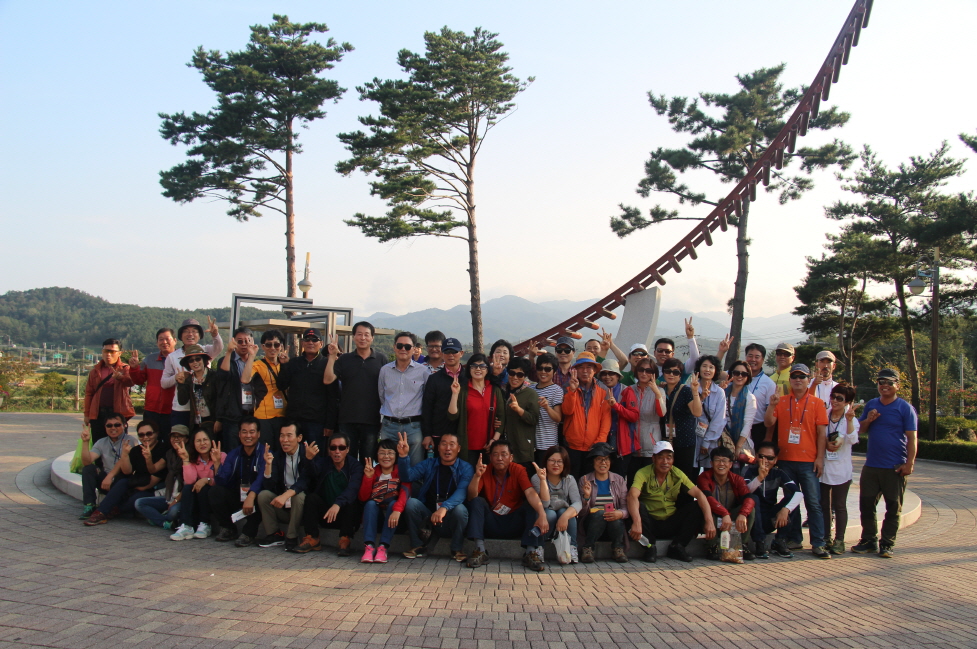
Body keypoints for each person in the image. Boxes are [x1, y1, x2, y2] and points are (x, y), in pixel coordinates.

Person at [764, 363, 831, 559]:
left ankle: (818, 542)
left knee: (813, 502)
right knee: (790, 502)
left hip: (808, 461)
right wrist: (772, 405)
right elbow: (769, 423)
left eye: (802, 376)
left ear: (809, 379)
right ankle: (793, 539)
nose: (798, 380)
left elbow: (821, 434)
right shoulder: (782, 401)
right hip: (786, 460)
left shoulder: (817, 403)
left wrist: (820, 458)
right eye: (794, 376)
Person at [852, 368, 917, 558]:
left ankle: (887, 544)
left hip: (894, 467)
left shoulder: (905, 408)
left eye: (889, 382)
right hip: (872, 465)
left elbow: (912, 438)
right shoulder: (872, 404)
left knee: (893, 507)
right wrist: (869, 419)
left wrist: (909, 463)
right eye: (881, 382)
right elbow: (860, 430)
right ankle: (869, 540)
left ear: (897, 385)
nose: (885, 385)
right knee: (866, 504)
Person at [465, 440, 549, 571]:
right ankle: (480, 550)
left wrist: (542, 514)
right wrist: (477, 476)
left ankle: (530, 552)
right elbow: (471, 496)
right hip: (492, 521)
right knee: (477, 502)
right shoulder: (485, 470)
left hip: (513, 521)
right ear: (490, 457)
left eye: (504, 454)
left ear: (511, 457)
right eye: (495, 454)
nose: (499, 458)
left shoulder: (519, 470)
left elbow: (530, 492)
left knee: (531, 505)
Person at [627, 440, 715, 562]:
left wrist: (709, 521)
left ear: (673, 460)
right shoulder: (643, 473)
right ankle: (649, 547)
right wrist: (637, 522)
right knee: (637, 507)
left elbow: (699, 494)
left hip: (670, 521)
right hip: (650, 523)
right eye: (660, 457)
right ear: (653, 459)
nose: (665, 462)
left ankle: (677, 546)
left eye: (669, 458)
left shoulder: (677, 473)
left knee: (696, 507)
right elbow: (632, 495)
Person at [398, 431, 474, 561]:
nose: (447, 448)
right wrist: (403, 456)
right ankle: (417, 546)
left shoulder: (465, 468)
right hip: (429, 517)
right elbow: (407, 477)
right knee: (412, 503)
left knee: (460, 509)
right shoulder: (429, 464)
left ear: (459, 448)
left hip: (450, 517)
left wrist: (444, 508)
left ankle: (456, 549)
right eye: (444, 444)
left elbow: (462, 492)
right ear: (438, 448)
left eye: (452, 444)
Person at [83, 420, 167, 526]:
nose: (145, 437)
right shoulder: (137, 450)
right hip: (137, 483)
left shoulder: (163, 450)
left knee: (135, 499)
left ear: (156, 433)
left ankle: (114, 510)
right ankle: (100, 513)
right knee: (122, 482)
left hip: (152, 487)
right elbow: (127, 471)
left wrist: (148, 459)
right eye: (141, 435)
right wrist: (125, 455)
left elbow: (153, 478)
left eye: (149, 434)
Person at [324, 321, 387, 462]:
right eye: (359, 334)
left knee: (368, 460)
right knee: (347, 460)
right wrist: (332, 356)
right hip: (347, 419)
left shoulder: (381, 359)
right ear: (353, 337)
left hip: (372, 420)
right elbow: (328, 380)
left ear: (372, 338)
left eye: (366, 335)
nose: (363, 338)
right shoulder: (345, 359)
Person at [293, 432, 364, 555]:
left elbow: (352, 489)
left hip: (345, 515)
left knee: (352, 501)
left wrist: (337, 504)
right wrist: (308, 459)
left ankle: (345, 539)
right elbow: (310, 474)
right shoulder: (324, 462)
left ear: (348, 449)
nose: (337, 451)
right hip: (326, 513)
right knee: (311, 498)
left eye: (341, 448)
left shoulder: (355, 466)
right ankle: (312, 538)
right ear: (328, 450)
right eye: (333, 448)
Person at [210, 417, 268, 547]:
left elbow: (262, 478)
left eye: (252, 432)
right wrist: (217, 464)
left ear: (258, 434)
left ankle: (249, 533)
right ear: (239, 434)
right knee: (215, 491)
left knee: (262, 496)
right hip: (238, 495)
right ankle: (228, 528)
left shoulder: (265, 453)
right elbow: (222, 481)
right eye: (244, 432)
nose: (248, 436)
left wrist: (251, 495)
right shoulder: (233, 454)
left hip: (255, 496)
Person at [277, 328, 337, 446]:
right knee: (293, 453)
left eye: (314, 340)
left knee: (315, 454)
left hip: (317, 422)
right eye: (307, 339)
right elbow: (281, 385)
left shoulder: (327, 364)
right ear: (302, 343)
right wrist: (284, 366)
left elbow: (333, 397)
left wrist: (330, 424)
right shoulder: (294, 363)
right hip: (294, 420)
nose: (310, 342)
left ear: (321, 344)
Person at [696, 446, 758, 560]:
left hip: (730, 516)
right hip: (714, 516)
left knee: (750, 510)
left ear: (730, 464)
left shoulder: (737, 479)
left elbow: (749, 498)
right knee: (703, 509)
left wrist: (743, 514)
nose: (721, 464)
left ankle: (742, 545)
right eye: (717, 460)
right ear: (711, 463)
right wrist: (724, 514)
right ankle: (712, 546)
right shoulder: (704, 477)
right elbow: (707, 498)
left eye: (724, 460)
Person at [377, 331, 430, 465]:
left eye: (407, 346)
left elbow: (427, 398)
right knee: (388, 467)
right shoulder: (385, 370)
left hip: (413, 426)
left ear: (414, 349)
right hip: (389, 426)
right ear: (394, 347)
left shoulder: (423, 371)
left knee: (415, 467)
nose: (403, 349)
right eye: (400, 346)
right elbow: (382, 396)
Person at [743, 440, 802, 559]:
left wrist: (785, 509)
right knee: (753, 498)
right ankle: (759, 543)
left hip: (770, 518)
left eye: (770, 458)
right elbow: (745, 491)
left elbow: (798, 493)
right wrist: (760, 478)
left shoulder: (778, 473)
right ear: (756, 456)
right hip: (752, 520)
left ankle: (780, 541)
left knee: (791, 500)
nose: (765, 461)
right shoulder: (749, 470)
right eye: (762, 456)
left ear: (775, 460)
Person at [256, 421, 310, 551]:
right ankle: (274, 534)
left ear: (299, 438)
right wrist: (268, 465)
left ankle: (292, 537)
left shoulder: (307, 454)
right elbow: (269, 485)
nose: (284, 440)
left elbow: (305, 482)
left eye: (289, 435)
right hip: (284, 506)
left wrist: (286, 495)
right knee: (264, 495)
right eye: (282, 435)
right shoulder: (278, 456)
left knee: (299, 496)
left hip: (303, 509)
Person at [161, 317, 224, 428]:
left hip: (205, 408)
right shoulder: (172, 356)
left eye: (194, 331)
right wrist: (176, 377)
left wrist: (215, 335)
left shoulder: (205, 351)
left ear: (199, 335)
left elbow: (219, 347)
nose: (190, 334)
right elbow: (164, 383)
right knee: (181, 435)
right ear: (180, 336)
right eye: (186, 331)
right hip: (182, 408)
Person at [820, 384, 860, 554]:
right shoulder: (824, 414)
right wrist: (825, 444)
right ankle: (826, 537)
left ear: (847, 402)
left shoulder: (850, 419)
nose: (834, 401)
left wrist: (849, 421)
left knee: (839, 505)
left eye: (840, 399)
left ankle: (839, 540)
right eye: (833, 397)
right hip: (824, 467)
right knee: (824, 505)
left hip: (841, 469)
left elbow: (853, 439)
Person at [358, 439, 411, 564]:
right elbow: (363, 497)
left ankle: (383, 547)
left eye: (390, 453)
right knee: (370, 504)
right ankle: (369, 547)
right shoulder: (373, 470)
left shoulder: (401, 472)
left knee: (393, 504)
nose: (386, 456)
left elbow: (405, 493)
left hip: (396, 518)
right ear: (376, 455)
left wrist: (397, 511)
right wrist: (368, 478)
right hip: (378, 518)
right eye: (382, 453)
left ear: (396, 455)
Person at [448, 354, 505, 466]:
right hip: (467, 447)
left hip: (489, 447)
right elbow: (452, 416)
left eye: (482, 366)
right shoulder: (463, 391)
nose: (478, 369)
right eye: (474, 366)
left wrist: (494, 440)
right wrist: (455, 394)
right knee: (469, 475)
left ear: (487, 370)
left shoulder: (494, 390)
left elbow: (501, 417)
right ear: (469, 369)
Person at [562, 352, 612, 478]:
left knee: (589, 481)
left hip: (594, 446)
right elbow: (567, 411)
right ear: (575, 370)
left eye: (589, 367)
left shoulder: (603, 390)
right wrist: (572, 391)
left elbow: (606, 419)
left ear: (595, 370)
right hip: (572, 445)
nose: (585, 371)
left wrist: (600, 442)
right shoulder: (567, 387)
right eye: (581, 367)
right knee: (571, 479)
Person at [77, 414, 138, 519]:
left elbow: (124, 464)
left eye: (117, 425)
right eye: (109, 425)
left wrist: (110, 476)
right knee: (88, 469)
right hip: (106, 482)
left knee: (123, 477)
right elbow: (87, 461)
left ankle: (111, 508)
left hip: (122, 481)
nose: (113, 428)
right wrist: (85, 442)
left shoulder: (131, 441)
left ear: (124, 425)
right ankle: (89, 505)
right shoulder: (101, 442)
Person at [577, 443, 630, 563]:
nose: (603, 463)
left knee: (615, 517)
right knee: (600, 514)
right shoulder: (585, 480)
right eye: (599, 459)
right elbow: (581, 513)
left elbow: (625, 508)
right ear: (593, 462)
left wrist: (620, 513)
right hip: (592, 524)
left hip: (613, 524)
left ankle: (618, 549)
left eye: (606, 459)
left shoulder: (619, 480)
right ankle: (588, 548)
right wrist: (586, 497)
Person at [530, 446, 582, 565]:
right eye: (552, 460)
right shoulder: (536, 478)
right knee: (550, 514)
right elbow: (545, 503)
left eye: (560, 461)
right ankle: (539, 547)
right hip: (546, 515)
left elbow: (577, 502)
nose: (556, 464)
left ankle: (572, 547)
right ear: (546, 461)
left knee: (568, 513)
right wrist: (543, 480)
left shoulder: (569, 479)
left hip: (562, 518)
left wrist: (565, 516)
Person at [169, 427, 224, 541]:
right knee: (188, 488)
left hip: (215, 497)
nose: (202, 443)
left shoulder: (221, 455)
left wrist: (208, 478)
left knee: (204, 488)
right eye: (198, 441)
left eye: (205, 440)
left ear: (211, 441)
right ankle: (186, 526)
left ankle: (205, 524)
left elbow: (222, 481)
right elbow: (190, 481)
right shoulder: (194, 459)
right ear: (193, 444)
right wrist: (186, 460)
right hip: (198, 497)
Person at [133, 424, 189, 530]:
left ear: (186, 439)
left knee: (172, 513)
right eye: (173, 436)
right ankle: (164, 522)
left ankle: (160, 518)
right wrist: (148, 458)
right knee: (139, 503)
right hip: (169, 496)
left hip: (182, 498)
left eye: (180, 436)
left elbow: (189, 484)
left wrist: (175, 501)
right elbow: (153, 469)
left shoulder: (190, 455)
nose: (176, 439)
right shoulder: (170, 453)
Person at [241, 329, 290, 449]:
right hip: (264, 416)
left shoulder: (285, 364)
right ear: (263, 347)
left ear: (281, 346)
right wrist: (251, 356)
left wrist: (286, 364)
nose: (272, 348)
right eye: (268, 345)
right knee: (266, 451)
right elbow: (245, 379)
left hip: (283, 415)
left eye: (276, 345)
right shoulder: (257, 365)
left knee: (282, 451)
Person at [127, 328, 177, 441]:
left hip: (173, 410)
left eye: (167, 339)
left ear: (175, 340)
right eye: (161, 339)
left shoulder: (181, 359)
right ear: (157, 342)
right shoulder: (149, 359)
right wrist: (134, 368)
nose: (164, 342)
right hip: (151, 410)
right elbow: (139, 380)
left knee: (171, 442)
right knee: (150, 441)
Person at [83, 339, 135, 443]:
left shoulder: (125, 369)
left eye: (112, 351)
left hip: (118, 413)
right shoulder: (95, 371)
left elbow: (131, 382)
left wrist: (120, 377)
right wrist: (87, 414)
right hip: (98, 414)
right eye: (106, 351)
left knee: (119, 443)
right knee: (98, 443)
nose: (108, 354)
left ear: (120, 353)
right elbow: (89, 393)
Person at [421, 337, 465, 454]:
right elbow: (427, 408)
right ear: (442, 354)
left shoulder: (468, 377)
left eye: (454, 351)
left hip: (463, 432)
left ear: (461, 353)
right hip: (439, 433)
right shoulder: (434, 379)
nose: (450, 355)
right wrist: (427, 434)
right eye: (447, 352)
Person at [660, 358, 703, 479]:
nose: (671, 374)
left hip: (684, 441)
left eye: (676, 372)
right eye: (668, 371)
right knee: (666, 475)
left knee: (683, 476)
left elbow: (697, 412)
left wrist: (695, 392)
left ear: (680, 375)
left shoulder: (686, 391)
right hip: (666, 440)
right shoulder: (661, 390)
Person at [214, 327, 255, 451]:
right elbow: (223, 377)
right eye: (240, 341)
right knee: (232, 451)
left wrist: (252, 356)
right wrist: (228, 352)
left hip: (251, 414)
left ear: (252, 341)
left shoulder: (256, 362)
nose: (243, 344)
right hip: (232, 415)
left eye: (247, 341)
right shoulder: (226, 360)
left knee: (249, 450)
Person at [627, 358, 666, 484]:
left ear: (654, 373)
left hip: (650, 443)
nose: (644, 373)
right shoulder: (629, 390)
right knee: (632, 482)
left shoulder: (659, 391)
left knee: (649, 483)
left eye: (648, 371)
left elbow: (662, 413)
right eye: (641, 370)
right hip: (632, 443)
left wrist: (657, 393)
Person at [598, 359, 639, 476]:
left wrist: (616, 406)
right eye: (604, 373)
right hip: (601, 437)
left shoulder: (626, 391)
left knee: (618, 475)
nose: (607, 377)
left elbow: (634, 416)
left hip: (620, 439)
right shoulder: (597, 390)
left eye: (611, 373)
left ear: (617, 376)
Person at [502, 357, 540, 471]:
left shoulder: (530, 394)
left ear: (525, 376)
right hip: (503, 447)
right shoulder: (502, 390)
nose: (515, 377)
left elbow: (534, 419)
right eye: (512, 373)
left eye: (520, 375)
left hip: (522, 447)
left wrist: (519, 410)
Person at [692, 355, 726, 470]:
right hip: (692, 439)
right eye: (704, 366)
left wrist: (706, 442)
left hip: (711, 441)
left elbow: (719, 420)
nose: (707, 370)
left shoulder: (719, 393)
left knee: (709, 472)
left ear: (715, 371)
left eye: (711, 367)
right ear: (699, 368)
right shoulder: (690, 388)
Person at [531, 352, 564, 466]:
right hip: (531, 444)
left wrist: (547, 407)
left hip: (548, 445)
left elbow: (558, 418)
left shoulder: (557, 390)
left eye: (548, 369)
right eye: (540, 368)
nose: (543, 372)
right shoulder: (531, 389)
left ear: (554, 372)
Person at [175, 344, 217, 429]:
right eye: (191, 361)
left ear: (204, 360)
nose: (195, 362)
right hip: (196, 423)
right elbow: (182, 401)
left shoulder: (215, 376)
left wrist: (219, 420)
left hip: (213, 421)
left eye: (198, 359)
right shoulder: (188, 379)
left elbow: (222, 401)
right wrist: (181, 384)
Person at [744, 343, 777, 448]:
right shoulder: (737, 376)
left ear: (762, 360)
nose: (753, 360)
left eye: (757, 357)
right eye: (750, 356)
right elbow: (717, 373)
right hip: (736, 426)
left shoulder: (769, 384)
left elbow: (772, 412)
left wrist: (768, 437)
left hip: (758, 429)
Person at [723, 360, 758, 461]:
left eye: (744, 374)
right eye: (736, 373)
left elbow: (747, 424)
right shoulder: (722, 393)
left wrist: (738, 446)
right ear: (731, 374)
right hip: (723, 440)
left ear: (748, 377)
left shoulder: (750, 398)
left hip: (740, 442)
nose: (740, 376)